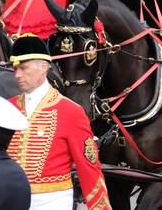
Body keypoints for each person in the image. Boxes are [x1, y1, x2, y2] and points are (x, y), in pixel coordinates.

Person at [7, 35, 110, 210]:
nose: (17, 75)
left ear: (43, 67)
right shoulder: (7, 107)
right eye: (15, 68)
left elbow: (89, 168)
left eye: (24, 68)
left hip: (52, 202)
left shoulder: (71, 112)